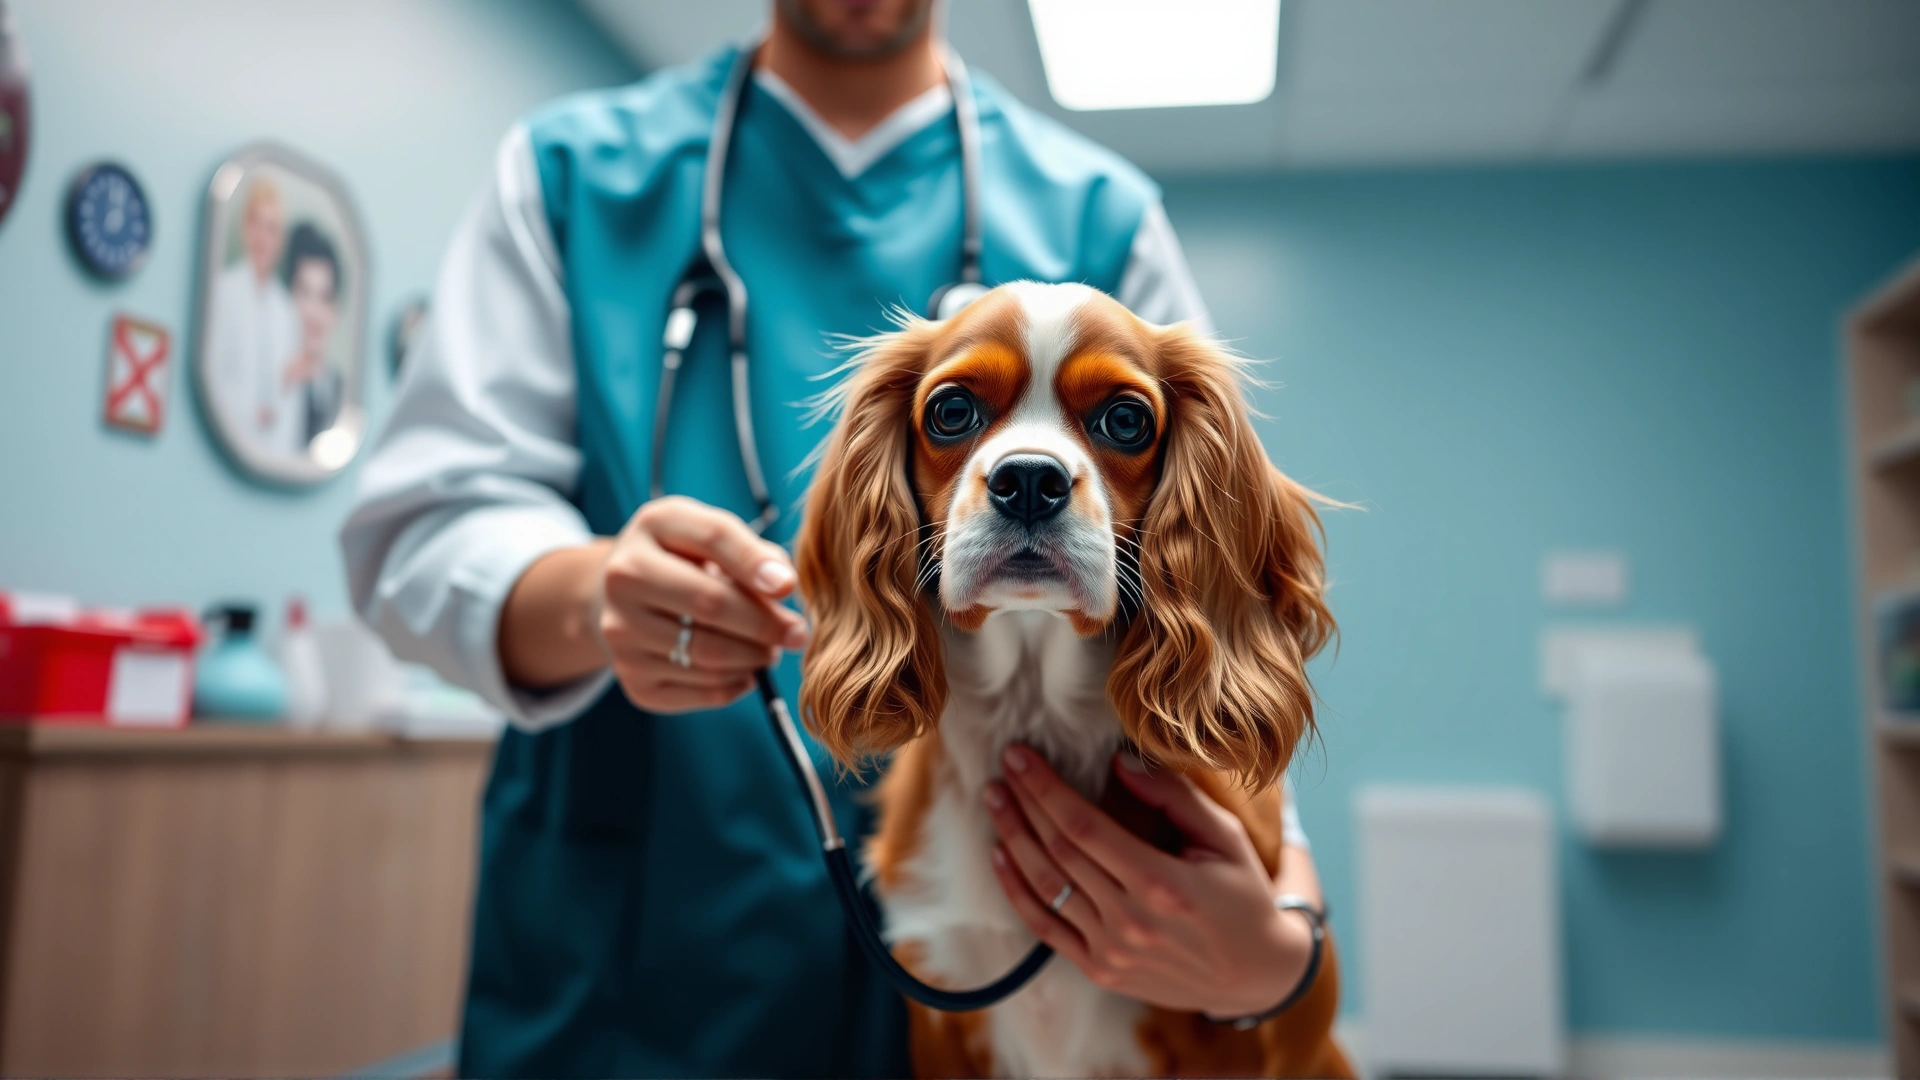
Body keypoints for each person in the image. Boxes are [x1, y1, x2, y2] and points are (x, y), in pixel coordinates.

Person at [341, 1, 1328, 1075]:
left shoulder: (1104, 216)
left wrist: (1278, 941)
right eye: (959, 416)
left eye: (1116, 419)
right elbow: (420, 529)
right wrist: (591, 597)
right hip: (638, 960)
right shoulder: (571, 177)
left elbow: (1213, 604)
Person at [280, 221, 344, 446]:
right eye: (304, 293)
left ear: (335, 310)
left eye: (325, 297)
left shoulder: (342, 392)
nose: (314, 313)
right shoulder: (272, 380)